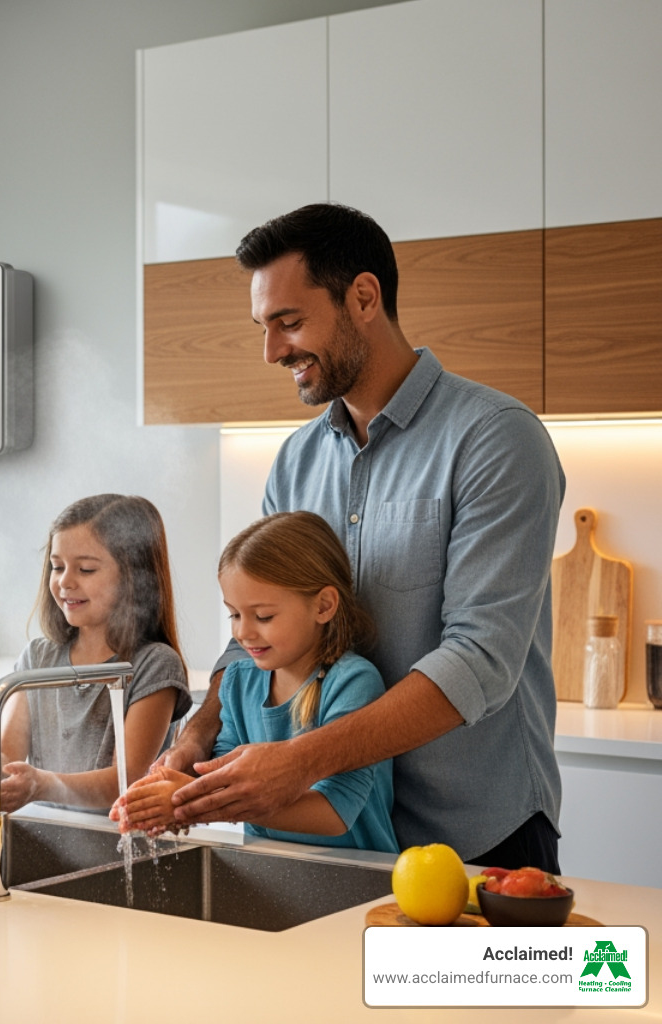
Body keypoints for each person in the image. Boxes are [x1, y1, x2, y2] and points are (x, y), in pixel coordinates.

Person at [160, 203, 565, 871]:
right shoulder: (296, 461)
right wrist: (195, 737)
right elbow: (251, 634)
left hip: (475, 834)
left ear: (364, 297)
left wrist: (298, 762)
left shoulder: (495, 438)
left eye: (289, 323)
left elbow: (479, 659)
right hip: (332, 836)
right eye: (265, 327)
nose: (272, 351)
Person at [112, 512, 396, 853]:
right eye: (234, 614)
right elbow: (220, 777)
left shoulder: (353, 682)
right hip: (270, 867)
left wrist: (190, 803)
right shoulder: (237, 682)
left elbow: (333, 813)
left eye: (263, 616)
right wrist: (174, 791)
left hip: (359, 878)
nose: (243, 633)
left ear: (323, 606)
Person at [0, 494, 191, 814]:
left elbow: (126, 779)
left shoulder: (154, 665)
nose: (65, 581)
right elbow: (8, 752)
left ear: (134, 578)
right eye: (57, 566)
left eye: (86, 569)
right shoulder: (38, 658)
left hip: (120, 840)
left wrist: (43, 785)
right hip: (51, 834)